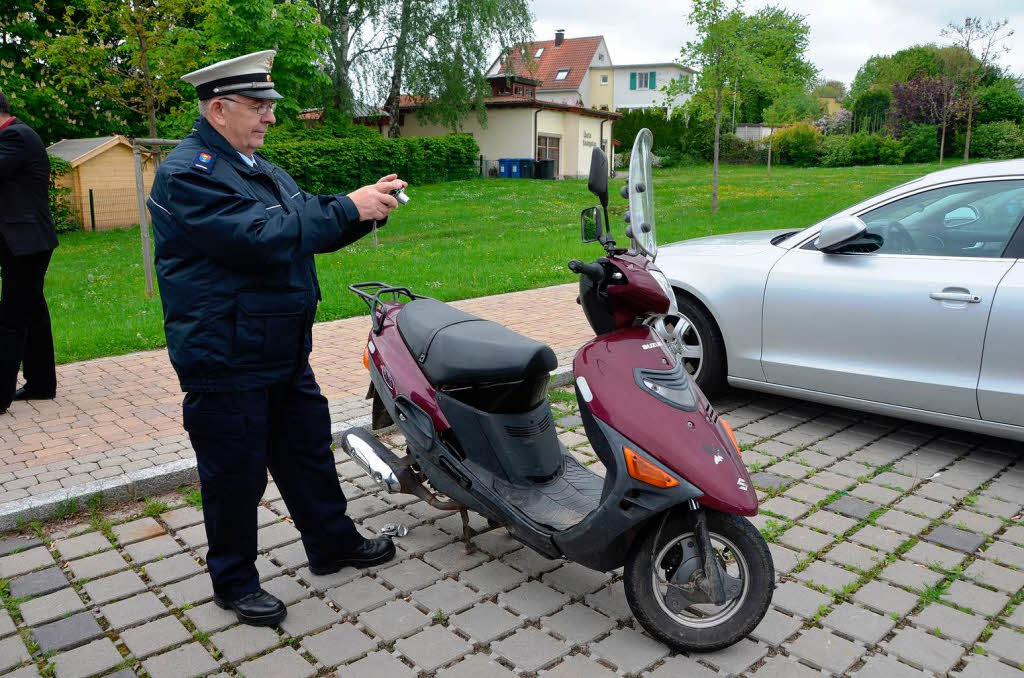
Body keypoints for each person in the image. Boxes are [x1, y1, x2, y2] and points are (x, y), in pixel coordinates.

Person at [148, 50, 404, 626]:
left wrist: (366, 210)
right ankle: (234, 582)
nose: (270, 118)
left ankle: (331, 543)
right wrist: (345, 207)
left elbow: (305, 224)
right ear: (219, 108)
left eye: (270, 106)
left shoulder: (255, 165)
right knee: (234, 475)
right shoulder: (189, 173)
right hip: (226, 352)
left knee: (307, 451)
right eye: (258, 106)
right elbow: (259, 237)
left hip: (278, 347)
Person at [0, 90, 59, 415]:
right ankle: (40, 383)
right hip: (23, 240)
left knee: (11, 318)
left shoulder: (16, 137)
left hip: (26, 242)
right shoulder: (13, 135)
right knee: (32, 312)